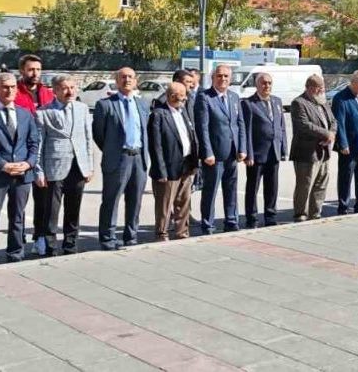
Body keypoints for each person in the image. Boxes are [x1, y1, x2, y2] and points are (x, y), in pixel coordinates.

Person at [0, 73, 40, 265]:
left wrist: (29, 163)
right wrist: (3, 165)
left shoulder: (25, 114)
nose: (9, 90)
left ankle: (16, 252)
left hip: (22, 173)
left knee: (17, 216)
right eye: (4, 87)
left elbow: (34, 142)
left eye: (12, 86)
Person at [33, 75, 93, 256]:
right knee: (52, 210)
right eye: (65, 88)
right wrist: (39, 170)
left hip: (78, 166)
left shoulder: (82, 109)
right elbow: (39, 145)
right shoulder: (43, 112)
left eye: (73, 87)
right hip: (54, 167)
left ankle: (71, 244)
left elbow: (87, 138)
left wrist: (89, 165)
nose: (70, 92)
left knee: (73, 209)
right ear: (55, 91)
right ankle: (50, 246)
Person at [92, 67, 150, 250]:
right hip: (118, 158)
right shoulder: (105, 104)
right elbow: (98, 134)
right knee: (111, 199)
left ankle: (131, 235)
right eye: (123, 77)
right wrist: (112, 151)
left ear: (136, 80)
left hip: (139, 157)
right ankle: (107, 237)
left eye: (130, 77)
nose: (127, 80)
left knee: (135, 199)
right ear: (116, 81)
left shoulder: (143, 104)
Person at [194, 64, 247, 234]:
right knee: (210, 190)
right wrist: (207, 152)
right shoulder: (204, 97)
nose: (223, 79)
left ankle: (231, 220)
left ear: (230, 79)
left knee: (231, 189)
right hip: (215, 154)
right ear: (213, 78)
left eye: (226, 76)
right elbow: (202, 127)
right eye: (219, 76)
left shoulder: (234, 97)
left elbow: (240, 124)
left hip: (233, 153)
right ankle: (208, 224)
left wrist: (242, 148)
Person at [148, 82, 199, 242]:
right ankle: (161, 234)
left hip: (186, 164)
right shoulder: (158, 115)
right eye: (181, 98)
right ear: (171, 97)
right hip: (168, 168)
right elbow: (155, 146)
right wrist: (161, 171)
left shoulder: (182, 112)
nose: (184, 102)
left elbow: (190, 136)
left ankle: (182, 232)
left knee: (184, 202)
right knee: (165, 204)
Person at [14, 54, 55, 247]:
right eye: (31, 69)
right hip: (21, 154)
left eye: (38, 69)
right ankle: (17, 237)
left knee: (43, 198)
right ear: (22, 70)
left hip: (43, 154)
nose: (35, 73)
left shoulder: (47, 93)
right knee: (19, 201)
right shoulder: (15, 92)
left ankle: (40, 236)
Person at [242, 72, 287, 228]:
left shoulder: (277, 101)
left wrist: (283, 148)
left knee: (272, 187)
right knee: (253, 187)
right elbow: (246, 130)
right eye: (263, 83)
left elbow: (281, 127)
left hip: (273, 151)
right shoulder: (248, 103)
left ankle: (270, 215)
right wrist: (248, 153)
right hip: (257, 154)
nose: (266, 86)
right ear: (257, 84)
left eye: (269, 83)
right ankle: (252, 217)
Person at [289, 75, 336, 221]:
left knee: (321, 184)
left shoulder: (323, 102)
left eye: (322, 88)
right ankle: (300, 213)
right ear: (309, 87)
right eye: (318, 88)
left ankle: (315, 212)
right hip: (306, 152)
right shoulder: (299, 103)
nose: (321, 90)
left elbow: (333, 121)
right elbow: (303, 125)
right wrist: (325, 134)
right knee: (305, 184)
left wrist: (332, 134)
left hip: (324, 150)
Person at [332, 70, 358, 213]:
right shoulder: (341, 98)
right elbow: (339, 123)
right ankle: (343, 206)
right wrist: (342, 143)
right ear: (353, 83)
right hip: (349, 147)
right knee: (345, 177)